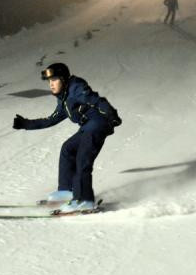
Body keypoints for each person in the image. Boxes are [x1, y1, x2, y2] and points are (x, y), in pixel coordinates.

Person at [12, 63, 122, 213]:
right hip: (87, 127)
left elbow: (96, 100)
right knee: (68, 148)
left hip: (98, 124)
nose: (51, 84)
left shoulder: (76, 87)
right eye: (49, 81)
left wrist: (111, 114)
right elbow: (51, 119)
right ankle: (66, 192)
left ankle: (84, 200)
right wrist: (26, 124)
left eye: (55, 80)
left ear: (63, 79)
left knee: (82, 159)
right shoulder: (63, 99)